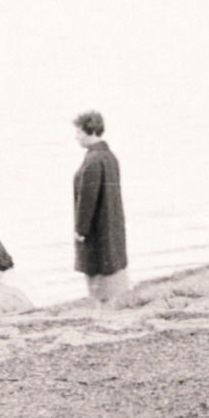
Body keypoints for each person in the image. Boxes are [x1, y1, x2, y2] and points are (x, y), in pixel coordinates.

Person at [71, 110, 128, 307]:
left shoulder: (93, 161)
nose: (76, 137)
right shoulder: (109, 157)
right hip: (111, 227)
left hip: (97, 232)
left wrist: (80, 230)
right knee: (112, 277)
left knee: (98, 282)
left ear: (90, 131)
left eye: (78, 132)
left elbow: (87, 200)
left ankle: (103, 307)